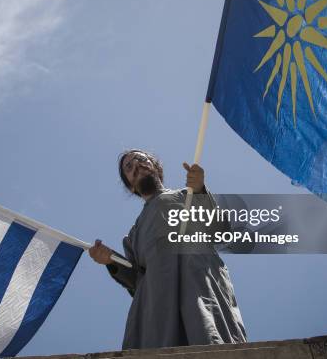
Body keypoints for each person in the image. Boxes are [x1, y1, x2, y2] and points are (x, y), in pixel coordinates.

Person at [89, 149, 247, 350]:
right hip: (157, 305)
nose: (136, 165)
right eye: (129, 167)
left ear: (156, 167)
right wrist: (110, 261)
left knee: (209, 338)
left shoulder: (187, 195)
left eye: (141, 159)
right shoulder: (133, 237)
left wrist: (199, 191)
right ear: (130, 186)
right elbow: (136, 280)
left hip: (199, 284)